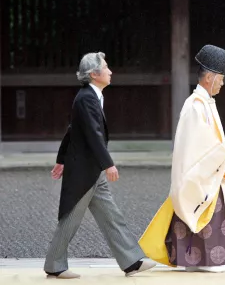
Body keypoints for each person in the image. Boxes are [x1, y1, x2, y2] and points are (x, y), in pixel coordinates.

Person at [43, 52, 155, 279]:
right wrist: (108, 164)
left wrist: (61, 158)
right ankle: (54, 265)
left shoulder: (91, 96)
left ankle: (131, 260)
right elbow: (93, 134)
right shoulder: (86, 98)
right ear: (94, 74)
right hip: (85, 170)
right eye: (106, 67)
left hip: (90, 169)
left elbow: (73, 130)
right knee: (71, 217)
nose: (110, 71)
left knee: (111, 215)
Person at [139, 45, 225, 273]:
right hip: (200, 171)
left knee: (203, 211)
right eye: (221, 79)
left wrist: (224, 152)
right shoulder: (194, 106)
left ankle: (195, 260)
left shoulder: (204, 103)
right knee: (202, 209)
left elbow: (210, 139)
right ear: (209, 77)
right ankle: (204, 261)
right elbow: (198, 144)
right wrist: (221, 153)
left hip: (209, 169)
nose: (222, 83)